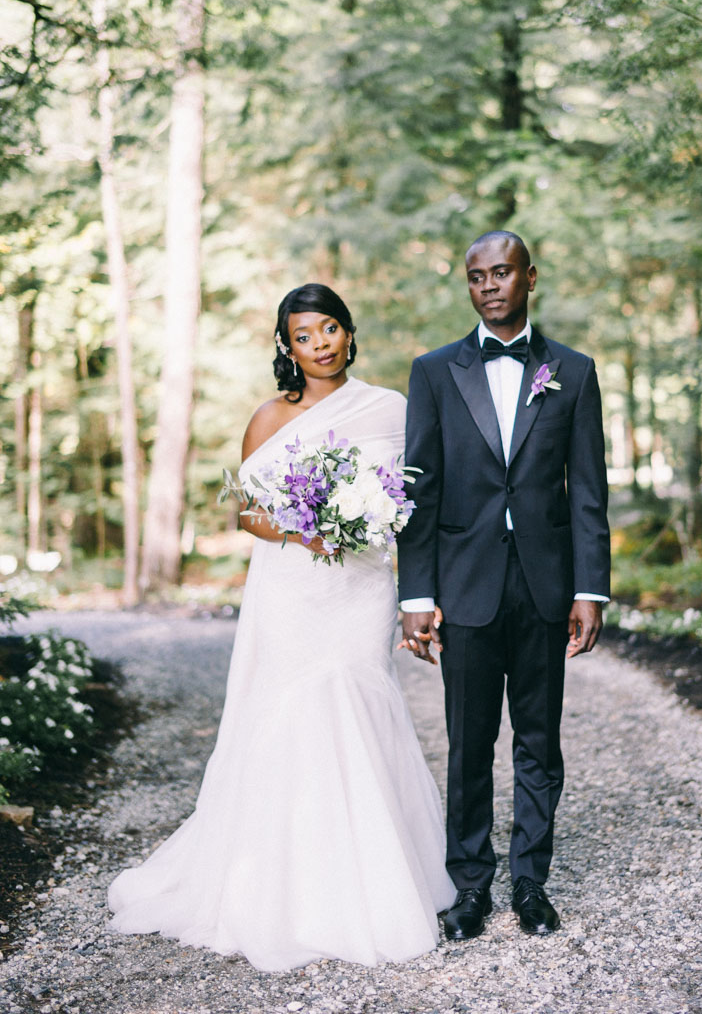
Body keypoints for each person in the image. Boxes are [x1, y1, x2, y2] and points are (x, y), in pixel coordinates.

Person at [108, 283, 455, 970]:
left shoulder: (392, 409)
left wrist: (371, 533)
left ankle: (377, 875)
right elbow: (245, 511)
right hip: (295, 587)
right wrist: (309, 529)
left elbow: (414, 498)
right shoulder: (269, 417)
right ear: (286, 346)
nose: (320, 343)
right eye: (305, 334)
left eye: (330, 328)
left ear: (349, 333)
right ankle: (284, 888)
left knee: (358, 702)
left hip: (361, 590)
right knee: (292, 712)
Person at [397, 231, 610, 942]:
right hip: (466, 586)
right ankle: (469, 888)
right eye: (477, 276)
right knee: (468, 742)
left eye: (503, 273)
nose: (490, 285)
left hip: (548, 587)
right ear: (469, 285)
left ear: (530, 278)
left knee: (539, 742)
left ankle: (530, 883)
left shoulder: (572, 372)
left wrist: (591, 588)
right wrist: (416, 596)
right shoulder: (433, 373)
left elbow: (587, 491)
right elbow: (418, 492)